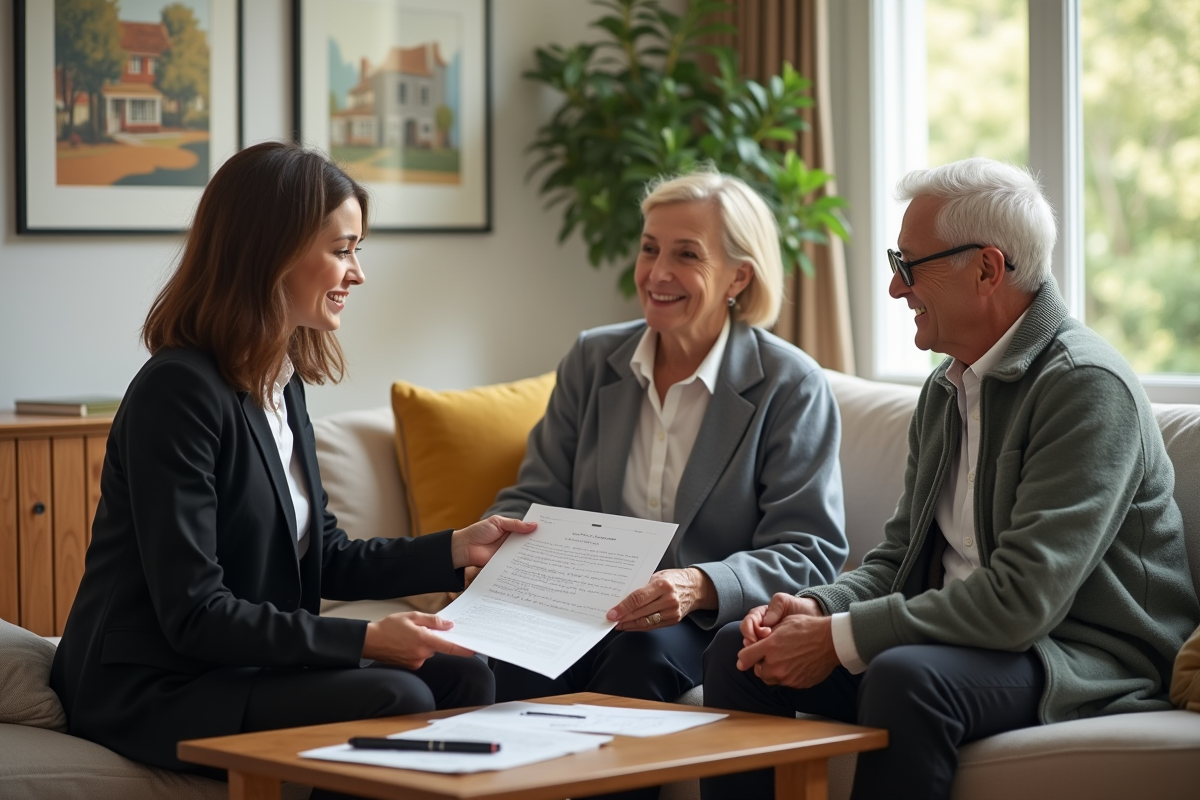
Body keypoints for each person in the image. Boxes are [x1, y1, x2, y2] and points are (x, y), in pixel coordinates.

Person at [699, 157, 1200, 800]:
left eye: (908, 266)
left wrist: (840, 638)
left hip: (1081, 656)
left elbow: (1023, 602)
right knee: (737, 656)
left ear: (988, 268)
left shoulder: (1083, 386)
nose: (895, 290)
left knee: (907, 679)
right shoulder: (948, 387)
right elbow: (899, 559)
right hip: (967, 642)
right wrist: (819, 608)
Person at [49, 142, 536, 785]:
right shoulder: (179, 391)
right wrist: (366, 640)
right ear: (271, 253)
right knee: (401, 695)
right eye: (343, 250)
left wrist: (455, 547)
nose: (357, 273)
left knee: (468, 672)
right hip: (152, 685)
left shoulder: (281, 382)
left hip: (240, 667)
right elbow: (194, 612)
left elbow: (322, 554)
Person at [487, 170, 848, 721]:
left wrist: (701, 584)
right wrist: (491, 553)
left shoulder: (791, 384)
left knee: (641, 654)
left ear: (738, 278)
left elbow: (809, 549)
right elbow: (535, 494)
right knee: (491, 658)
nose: (657, 273)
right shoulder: (592, 358)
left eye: (686, 255)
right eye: (650, 249)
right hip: (582, 606)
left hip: (697, 625)